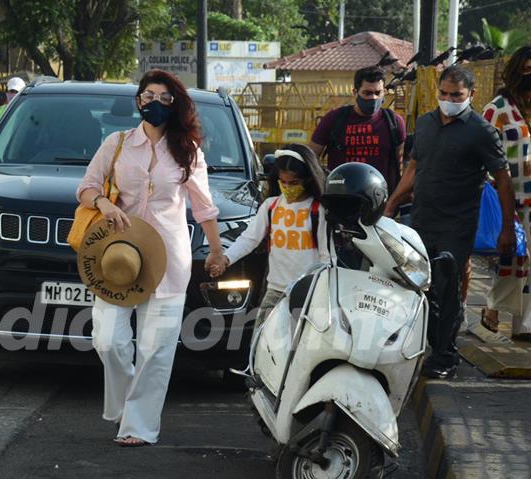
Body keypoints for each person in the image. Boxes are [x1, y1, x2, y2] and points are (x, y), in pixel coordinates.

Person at [76, 69, 225, 446]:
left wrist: (217, 251)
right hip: (118, 257)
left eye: (163, 97)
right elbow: (87, 186)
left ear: (174, 104)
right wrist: (105, 203)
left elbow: (204, 208)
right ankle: (125, 405)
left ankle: (138, 426)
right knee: (108, 340)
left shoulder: (187, 151)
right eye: (148, 96)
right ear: (138, 100)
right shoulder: (118, 143)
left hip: (169, 260)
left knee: (156, 349)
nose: (154, 103)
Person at [384, 65, 516, 379]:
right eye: (443, 93)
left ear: (471, 95)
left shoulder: (481, 131)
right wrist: (391, 204)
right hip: (421, 221)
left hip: (457, 225)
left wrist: (507, 228)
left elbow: (503, 178)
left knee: (447, 289)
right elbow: (414, 169)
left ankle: (444, 356)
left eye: (456, 95)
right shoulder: (427, 124)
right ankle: (420, 347)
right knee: (418, 286)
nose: (448, 99)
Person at [212, 144, 330, 329]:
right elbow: (249, 239)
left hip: (308, 292)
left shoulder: (317, 210)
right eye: (283, 182)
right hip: (275, 290)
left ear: (308, 179)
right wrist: (226, 259)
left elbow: (326, 256)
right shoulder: (270, 206)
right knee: (262, 343)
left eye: (294, 183)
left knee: (301, 345)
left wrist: (320, 288)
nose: (288, 188)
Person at [479, 46, 531, 340]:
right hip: (511, 197)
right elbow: (482, 153)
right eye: (526, 70)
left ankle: (524, 325)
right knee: (515, 259)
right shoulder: (498, 109)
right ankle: (493, 306)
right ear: (514, 73)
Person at [309, 65, 406, 193]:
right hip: (340, 196)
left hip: (379, 199)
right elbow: (311, 158)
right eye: (367, 93)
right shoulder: (334, 118)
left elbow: (399, 165)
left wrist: (393, 202)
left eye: (378, 93)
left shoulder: (394, 122)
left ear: (385, 93)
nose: (373, 98)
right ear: (355, 92)